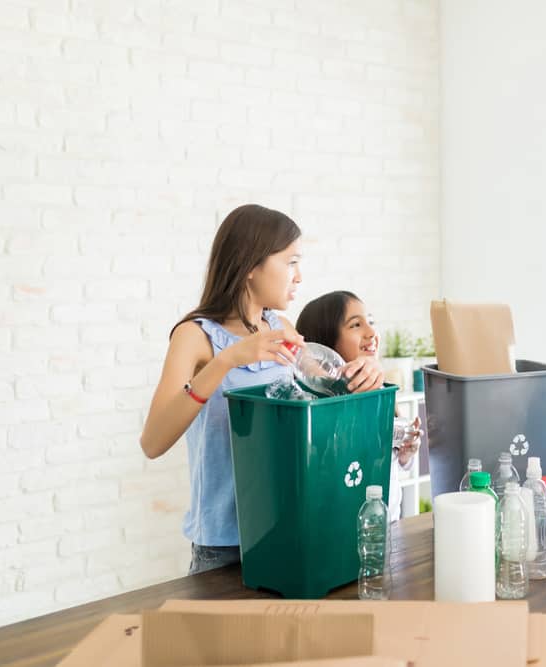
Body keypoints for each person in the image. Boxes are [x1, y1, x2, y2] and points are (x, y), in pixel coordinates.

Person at [139, 204, 385, 575]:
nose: (299, 276)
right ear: (251, 265)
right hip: (225, 545)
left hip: (288, 527)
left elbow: (332, 391)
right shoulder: (194, 336)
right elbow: (153, 442)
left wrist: (368, 370)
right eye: (291, 262)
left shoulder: (281, 327)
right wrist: (225, 361)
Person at [296, 290, 423, 521]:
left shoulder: (382, 391)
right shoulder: (316, 405)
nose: (371, 332)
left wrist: (406, 453)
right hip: (343, 528)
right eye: (356, 325)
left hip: (389, 523)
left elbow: (393, 466)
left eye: (371, 322)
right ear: (326, 343)